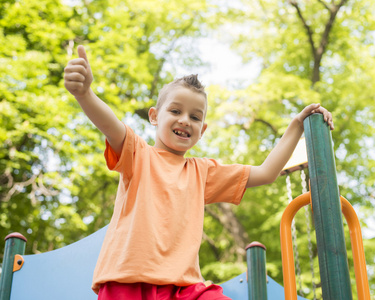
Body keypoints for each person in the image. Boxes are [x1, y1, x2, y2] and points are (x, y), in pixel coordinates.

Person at [64, 45, 333, 300]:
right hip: (128, 281)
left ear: (202, 130)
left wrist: (296, 125)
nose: (185, 120)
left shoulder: (202, 172)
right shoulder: (138, 154)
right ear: (155, 116)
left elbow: (266, 172)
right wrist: (85, 94)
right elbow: (111, 126)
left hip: (184, 287)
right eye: (175, 111)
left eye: (195, 117)